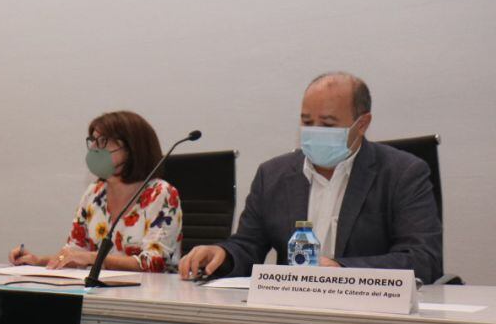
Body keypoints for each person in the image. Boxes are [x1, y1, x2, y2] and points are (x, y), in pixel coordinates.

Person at [178, 72, 443, 283]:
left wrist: (341, 268)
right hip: (291, 314)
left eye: (327, 124)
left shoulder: (403, 173)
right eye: (307, 121)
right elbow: (248, 246)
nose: (314, 132)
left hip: (369, 316)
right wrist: (222, 255)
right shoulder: (272, 175)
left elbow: (422, 259)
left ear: (362, 124)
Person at [9, 111, 182, 272]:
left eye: (102, 141)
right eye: (92, 140)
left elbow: (155, 262)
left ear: (130, 148)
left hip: (148, 296)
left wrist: (93, 258)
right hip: (100, 293)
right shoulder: (94, 192)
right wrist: (37, 261)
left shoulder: (160, 193)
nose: (93, 148)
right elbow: (74, 253)